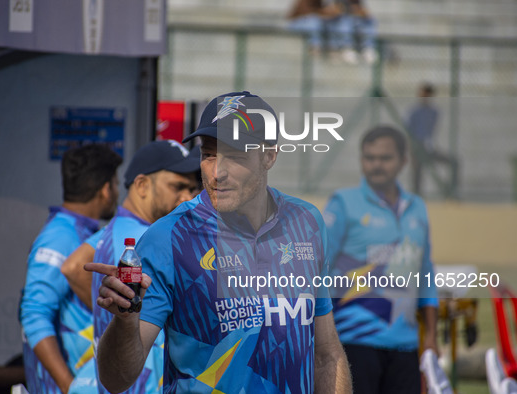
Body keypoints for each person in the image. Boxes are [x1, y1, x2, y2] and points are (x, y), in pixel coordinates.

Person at [86, 91, 352, 393]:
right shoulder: (168, 238)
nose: (216, 173)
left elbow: (326, 354)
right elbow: (116, 379)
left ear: (269, 155)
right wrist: (124, 321)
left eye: (235, 156)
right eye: (209, 154)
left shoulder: (307, 222)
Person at [60, 140, 200, 394]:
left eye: (193, 188)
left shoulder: (116, 231)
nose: (188, 197)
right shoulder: (147, 239)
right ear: (142, 185)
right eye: (178, 186)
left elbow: (73, 265)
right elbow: (73, 267)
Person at [323, 125, 439, 394]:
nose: (376, 165)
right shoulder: (343, 204)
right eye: (369, 157)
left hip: (406, 346)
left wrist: (431, 336)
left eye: (385, 158)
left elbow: (425, 275)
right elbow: (318, 271)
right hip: (353, 343)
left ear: (403, 161)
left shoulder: (417, 208)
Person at [19, 144, 123, 393]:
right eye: (117, 184)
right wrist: (69, 387)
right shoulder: (60, 236)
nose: (118, 192)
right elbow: (34, 315)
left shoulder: (79, 232)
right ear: (106, 190)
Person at [406, 82, 459, 196]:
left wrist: (430, 144)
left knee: (454, 162)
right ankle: (416, 196)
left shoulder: (434, 112)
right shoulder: (414, 112)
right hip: (417, 148)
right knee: (417, 174)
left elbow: (431, 132)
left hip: (430, 147)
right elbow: (408, 131)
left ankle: (453, 191)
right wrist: (412, 148)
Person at [333, 0, 378, 64]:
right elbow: (336, 11)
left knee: (369, 21)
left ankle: (368, 48)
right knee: (345, 23)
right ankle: (346, 48)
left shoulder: (357, 2)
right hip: (338, 22)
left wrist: (353, 10)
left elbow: (364, 12)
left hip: (354, 21)